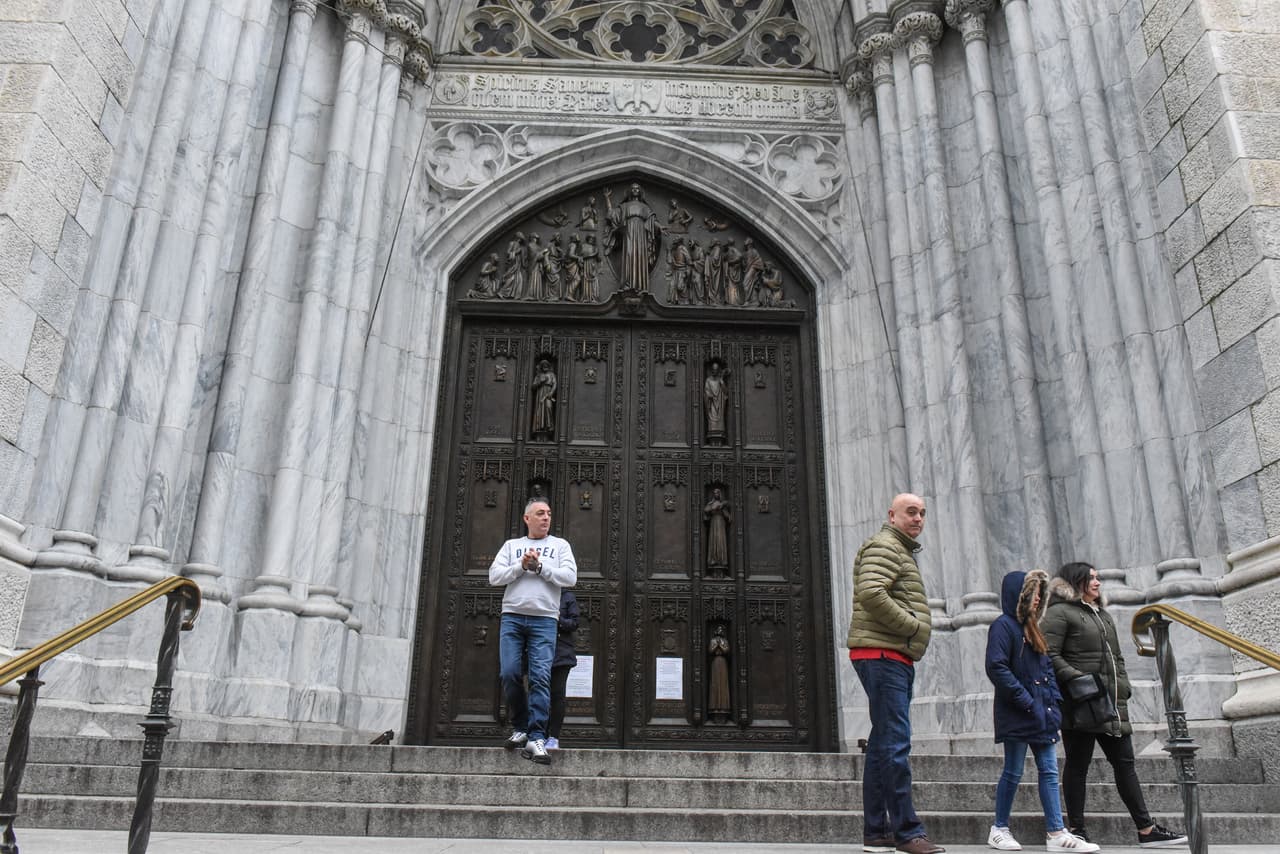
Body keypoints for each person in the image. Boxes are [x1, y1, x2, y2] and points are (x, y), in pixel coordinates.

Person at [1043, 562, 1188, 848]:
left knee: (1125, 764)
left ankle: (1146, 829)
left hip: (1111, 703)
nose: (1097, 583)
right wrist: (1079, 680)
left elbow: (1117, 657)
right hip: (1081, 702)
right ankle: (1078, 829)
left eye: (1098, 578)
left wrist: (1123, 686)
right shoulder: (1060, 613)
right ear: (1075, 582)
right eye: (1091, 579)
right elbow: (1048, 654)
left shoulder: (1103, 615)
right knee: (1077, 765)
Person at [847, 493, 943, 854]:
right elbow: (872, 593)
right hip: (883, 654)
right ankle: (907, 832)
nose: (918, 518)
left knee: (883, 745)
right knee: (896, 745)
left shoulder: (898, 550)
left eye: (921, 513)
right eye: (910, 512)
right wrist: (913, 627)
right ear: (892, 514)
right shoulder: (885, 546)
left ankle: (877, 831)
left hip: (889, 656)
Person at [985, 570, 1098, 853]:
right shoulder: (1003, 626)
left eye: (1039, 594)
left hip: (1042, 712)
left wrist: (1053, 702)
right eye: (1033, 593)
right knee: (1013, 770)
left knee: (1049, 770)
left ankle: (1056, 832)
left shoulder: (1033, 628)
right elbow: (996, 666)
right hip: (1018, 710)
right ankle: (998, 828)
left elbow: (1046, 668)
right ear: (1020, 595)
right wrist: (1025, 700)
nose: (1037, 599)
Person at [488, 497, 578, 764]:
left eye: (548, 513)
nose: (546, 518)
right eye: (540, 513)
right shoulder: (511, 546)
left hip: (544, 619)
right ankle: (521, 727)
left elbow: (570, 578)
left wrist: (539, 567)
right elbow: (494, 577)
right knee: (509, 672)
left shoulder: (560, 546)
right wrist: (520, 566)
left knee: (540, 678)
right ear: (527, 518)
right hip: (513, 617)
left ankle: (537, 736)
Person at [546, 587, 579, 751]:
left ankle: (553, 737)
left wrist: (558, 618)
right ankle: (538, 734)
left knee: (557, 694)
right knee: (537, 693)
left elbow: (574, 623)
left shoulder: (567, 596)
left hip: (561, 654)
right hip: (540, 651)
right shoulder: (538, 591)